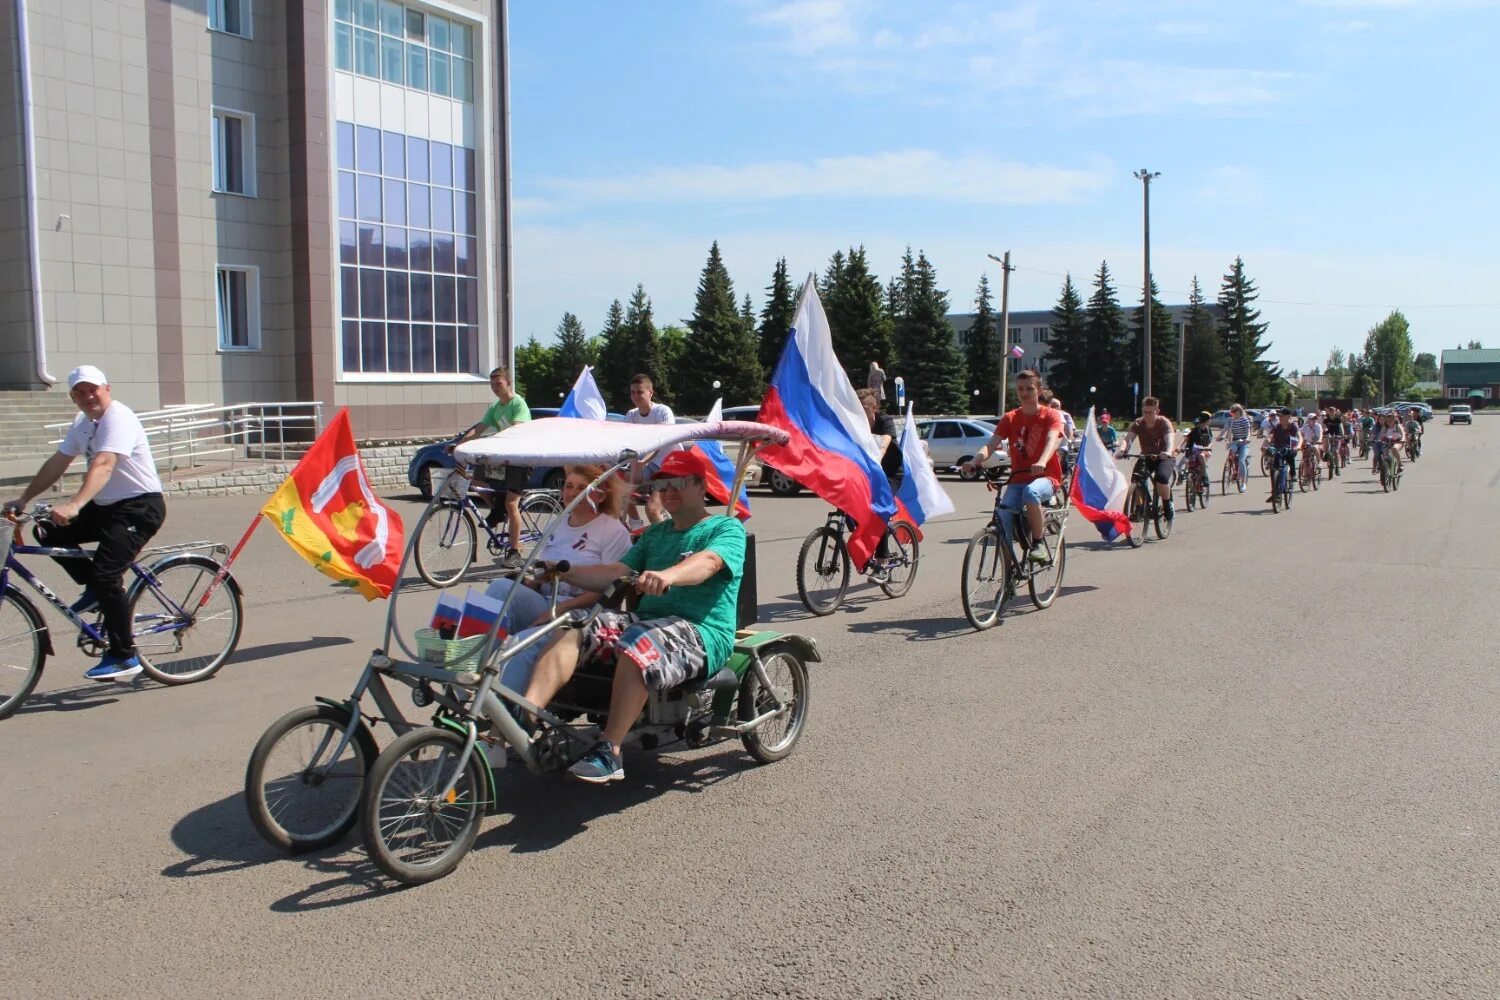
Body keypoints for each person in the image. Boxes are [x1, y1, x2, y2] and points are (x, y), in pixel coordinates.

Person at [522, 449, 746, 784]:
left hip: (701, 631)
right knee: (574, 624)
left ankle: (609, 750)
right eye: (663, 485)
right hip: (650, 623)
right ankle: (528, 714)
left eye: (678, 484)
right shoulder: (655, 535)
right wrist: (563, 572)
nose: (668, 491)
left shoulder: (724, 528)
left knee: (637, 641)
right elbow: (614, 572)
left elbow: (708, 563)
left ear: (701, 486)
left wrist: (669, 576)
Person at [4, 366, 165, 680]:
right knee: (46, 528)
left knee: (108, 577)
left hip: (139, 507)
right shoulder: (84, 423)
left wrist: (75, 504)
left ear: (107, 388)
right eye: (79, 392)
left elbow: (104, 464)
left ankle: (123, 655)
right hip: (107, 507)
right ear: (73, 398)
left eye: (93, 389)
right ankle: (94, 588)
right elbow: (58, 463)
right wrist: (23, 500)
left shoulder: (119, 418)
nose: (87, 396)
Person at [481, 464, 632, 683]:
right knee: (499, 587)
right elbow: (546, 571)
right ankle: (468, 671)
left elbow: (608, 588)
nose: (572, 493)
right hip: (548, 601)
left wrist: (555, 612)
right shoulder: (560, 523)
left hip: (583, 613)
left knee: (522, 642)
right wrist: (533, 583)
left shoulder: (612, 530)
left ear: (600, 495)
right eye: (569, 486)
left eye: (582, 487)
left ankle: (511, 710)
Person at [960, 369, 1064, 564]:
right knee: (1002, 524)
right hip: (1017, 479)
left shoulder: (1050, 415)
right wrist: (974, 461)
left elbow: (1052, 440)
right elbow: (991, 445)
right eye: (1020, 389)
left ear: (1039, 390)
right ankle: (1010, 576)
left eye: (1029, 389)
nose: (1024, 393)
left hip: (1046, 477)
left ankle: (1039, 542)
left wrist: (1041, 461)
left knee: (1031, 493)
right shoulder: (1010, 418)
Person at [450, 367, 531, 568]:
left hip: (520, 459)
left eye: (499, 383)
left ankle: (514, 551)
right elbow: (480, 428)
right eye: (492, 384)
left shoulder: (518, 404)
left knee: (512, 503)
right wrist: (461, 443)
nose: (495, 387)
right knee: (476, 480)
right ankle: (497, 508)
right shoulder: (495, 407)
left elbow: (515, 431)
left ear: (508, 383)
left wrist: (492, 444)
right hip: (504, 458)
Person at [857, 387, 904, 583]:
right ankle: (864, 543)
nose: (858, 414)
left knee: (880, 511)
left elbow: (884, 442)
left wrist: (877, 456)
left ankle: (882, 563)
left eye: (862, 409)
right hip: (869, 475)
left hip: (890, 474)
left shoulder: (884, 422)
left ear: (873, 407)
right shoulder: (856, 426)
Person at [623, 374, 675, 527]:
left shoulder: (663, 412)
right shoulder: (631, 415)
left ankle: (664, 543)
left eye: (640, 392)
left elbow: (661, 442)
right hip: (647, 466)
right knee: (618, 486)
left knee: (652, 510)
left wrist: (643, 461)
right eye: (633, 392)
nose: (635, 396)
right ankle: (635, 524)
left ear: (650, 393)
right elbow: (627, 444)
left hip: (669, 467)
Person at [1117, 396, 1177, 520]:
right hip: (1147, 456)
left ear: (1157, 411)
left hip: (1164, 457)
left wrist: (1167, 452)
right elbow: (1128, 439)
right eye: (1145, 412)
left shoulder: (1164, 422)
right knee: (1137, 478)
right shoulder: (1138, 423)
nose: (1147, 415)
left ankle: (1167, 505)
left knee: (1161, 479)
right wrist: (1122, 450)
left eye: (1151, 412)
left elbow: (1170, 440)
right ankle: (1139, 507)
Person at [1265, 407, 1301, 502]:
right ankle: (1275, 494)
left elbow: (1299, 437)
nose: (1279, 417)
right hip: (1278, 449)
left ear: (1288, 416)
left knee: (1289, 455)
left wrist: (1297, 446)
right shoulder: (1277, 426)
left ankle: (1293, 473)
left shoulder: (1293, 426)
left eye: (1282, 415)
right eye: (1279, 415)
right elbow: (1271, 435)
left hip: (1290, 448)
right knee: (1274, 470)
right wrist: (1267, 441)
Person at [1217, 403, 1252, 492]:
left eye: (1234, 411)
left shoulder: (1244, 420)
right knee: (1232, 449)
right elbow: (1225, 429)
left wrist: (1247, 438)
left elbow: (1248, 431)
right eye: (1231, 412)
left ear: (1239, 411)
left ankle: (1243, 483)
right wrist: (1219, 436)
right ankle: (1233, 468)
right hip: (1235, 441)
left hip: (1243, 442)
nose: (1232, 413)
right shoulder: (1230, 420)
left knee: (1241, 460)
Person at [1178, 411, 1214, 495]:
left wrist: (1208, 447)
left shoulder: (1208, 430)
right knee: (1187, 461)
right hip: (1193, 450)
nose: (1210, 421)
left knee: (1201, 456)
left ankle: (1204, 478)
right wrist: (1181, 448)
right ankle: (1187, 479)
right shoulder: (1193, 430)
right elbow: (1186, 440)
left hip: (1205, 450)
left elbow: (1210, 441)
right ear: (1206, 420)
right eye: (1210, 419)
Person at [1300, 408, 1324, 478]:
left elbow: (1321, 434)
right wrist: (1302, 440)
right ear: (1308, 420)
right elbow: (1301, 433)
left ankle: (1319, 462)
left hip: (1316, 442)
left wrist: (1319, 440)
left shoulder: (1318, 426)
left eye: (1315, 419)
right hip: (1307, 443)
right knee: (1305, 460)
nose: (1314, 420)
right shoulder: (1305, 426)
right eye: (1312, 419)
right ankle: (1305, 477)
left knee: (1314, 447)